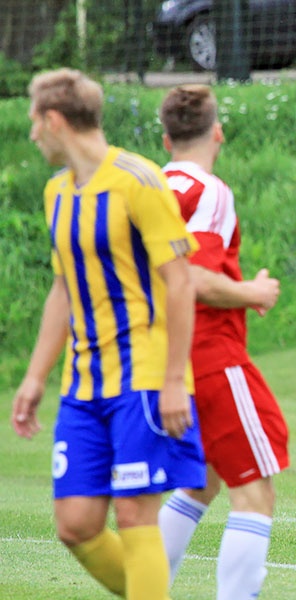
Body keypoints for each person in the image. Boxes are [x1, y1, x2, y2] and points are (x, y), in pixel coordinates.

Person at [11, 68, 206, 599]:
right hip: (83, 384)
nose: (31, 135)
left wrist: (172, 381)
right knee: (75, 523)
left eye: (34, 122)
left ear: (53, 121)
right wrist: (34, 378)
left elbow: (181, 284)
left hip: (142, 374)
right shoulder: (58, 193)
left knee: (135, 512)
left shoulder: (139, 180)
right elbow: (62, 291)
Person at [155, 84, 290, 600]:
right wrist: (249, 291)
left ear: (166, 139)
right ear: (217, 132)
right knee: (255, 490)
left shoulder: (147, 187)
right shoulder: (208, 191)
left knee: (201, 480)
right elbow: (193, 277)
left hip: (157, 357)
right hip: (208, 352)